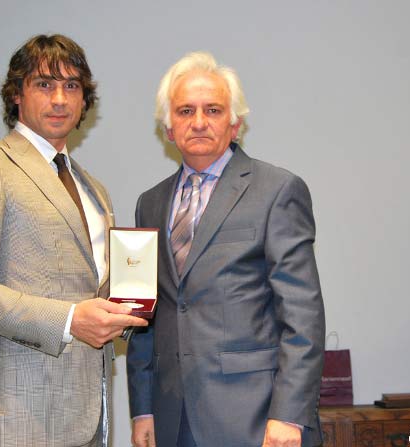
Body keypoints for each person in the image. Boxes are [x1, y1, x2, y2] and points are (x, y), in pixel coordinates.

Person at [0, 34, 147, 447]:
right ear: (16, 94)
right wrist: (68, 321)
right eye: (44, 84)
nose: (60, 99)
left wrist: (125, 313)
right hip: (15, 421)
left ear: (85, 100)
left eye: (72, 86)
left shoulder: (95, 190)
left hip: (89, 421)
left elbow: (91, 294)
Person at [127, 52, 325, 447]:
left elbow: (302, 315)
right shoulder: (150, 203)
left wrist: (288, 415)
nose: (198, 122)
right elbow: (147, 318)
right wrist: (143, 408)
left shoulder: (277, 190)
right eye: (185, 111)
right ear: (168, 128)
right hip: (172, 420)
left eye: (212, 110)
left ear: (235, 124)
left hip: (258, 419)